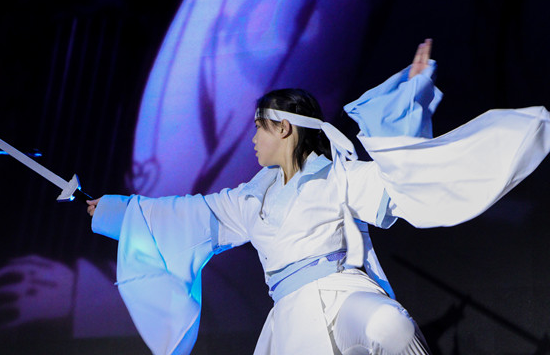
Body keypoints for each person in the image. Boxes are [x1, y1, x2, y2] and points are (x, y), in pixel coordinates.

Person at [86, 39, 550, 355]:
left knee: (391, 327)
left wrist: (408, 98)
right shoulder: (250, 200)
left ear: (285, 128)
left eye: (260, 128)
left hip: (346, 293)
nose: (253, 139)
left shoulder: (340, 176)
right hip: (290, 318)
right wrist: (115, 212)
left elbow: (401, 178)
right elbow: (186, 215)